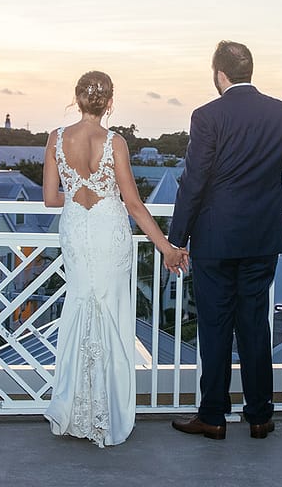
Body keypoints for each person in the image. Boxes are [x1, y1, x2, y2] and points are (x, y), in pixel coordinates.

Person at [169, 41, 282, 440]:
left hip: (215, 237)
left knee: (215, 328)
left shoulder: (207, 116)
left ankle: (213, 417)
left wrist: (176, 239)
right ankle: (260, 416)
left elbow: (194, 180)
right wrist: (274, 207)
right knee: (254, 325)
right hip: (261, 238)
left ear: (219, 75)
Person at [42, 70, 187, 448]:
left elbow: (49, 198)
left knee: (79, 308)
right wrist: (166, 248)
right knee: (111, 313)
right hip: (109, 232)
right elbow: (134, 205)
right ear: (109, 103)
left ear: (76, 99)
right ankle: (109, 414)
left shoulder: (57, 139)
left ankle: (74, 412)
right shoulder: (115, 142)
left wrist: (77, 195)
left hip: (77, 230)